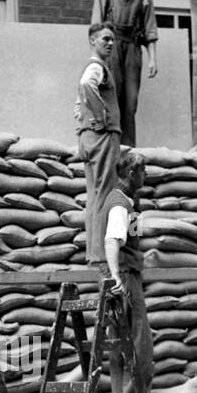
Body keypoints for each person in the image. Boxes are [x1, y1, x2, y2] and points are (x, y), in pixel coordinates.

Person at [94, 148, 155, 393]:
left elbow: (129, 238)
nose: (146, 175)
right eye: (143, 171)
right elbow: (112, 240)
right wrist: (117, 275)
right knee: (140, 336)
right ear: (132, 173)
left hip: (125, 270)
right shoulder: (119, 205)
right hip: (124, 276)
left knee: (117, 340)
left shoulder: (129, 201)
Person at [91, 0, 158, 148]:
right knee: (110, 99)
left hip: (132, 51)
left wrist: (153, 59)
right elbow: (96, 30)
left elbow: (150, 31)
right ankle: (108, 148)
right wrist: (97, 59)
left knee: (130, 104)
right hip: (110, 50)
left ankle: (127, 152)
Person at [75, 22, 122, 266]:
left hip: (88, 137)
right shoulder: (96, 67)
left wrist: (85, 123)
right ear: (92, 41)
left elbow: (78, 104)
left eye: (113, 39)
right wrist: (102, 117)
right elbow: (86, 85)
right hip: (103, 136)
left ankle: (93, 253)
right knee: (106, 194)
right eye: (105, 39)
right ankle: (104, 254)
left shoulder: (93, 67)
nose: (110, 43)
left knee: (94, 195)